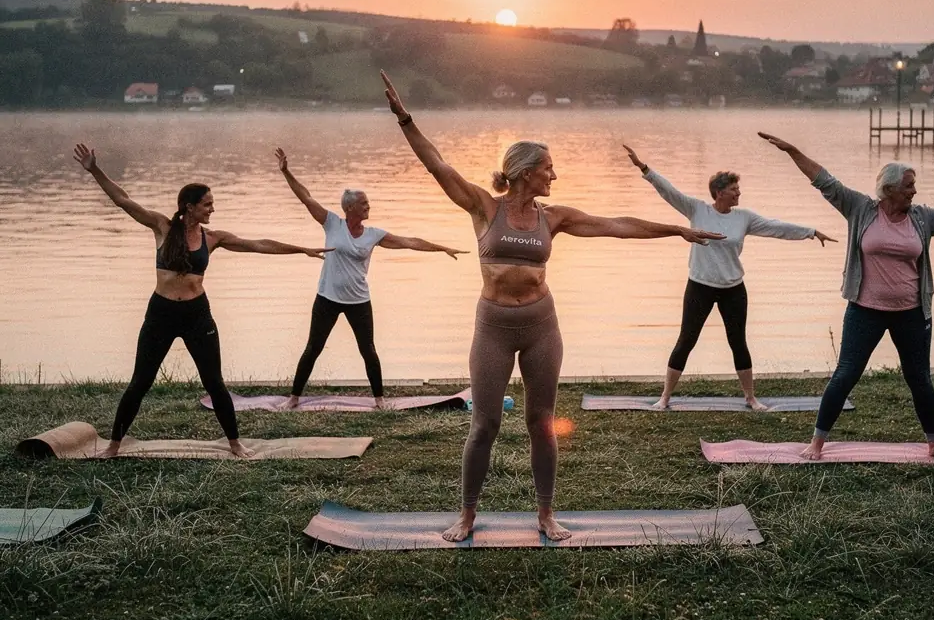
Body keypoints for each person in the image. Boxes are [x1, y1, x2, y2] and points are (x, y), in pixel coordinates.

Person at [381, 71, 725, 542]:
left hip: (542, 326)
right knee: (484, 425)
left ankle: (545, 514)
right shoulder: (483, 207)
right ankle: (466, 515)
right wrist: (405, 119)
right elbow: (436, 164)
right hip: (494, 328)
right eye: (548, 168)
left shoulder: (554, 217)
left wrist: (676, 230)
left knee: (542, 423)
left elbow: (616, 224)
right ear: (525, 172)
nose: (554, 175)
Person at [759, 131, 934, 460]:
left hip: (911, 313)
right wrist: (793, 150)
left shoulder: (923, 217)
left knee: (919, 379)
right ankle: (816, 442)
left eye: (914, 185)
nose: (915, 190)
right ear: (890, 189)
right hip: (864, 311)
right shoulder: (860, 208)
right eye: (909, 185)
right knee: (845, 375)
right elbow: (825, 181)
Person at [73, 143, 331, 459]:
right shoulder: (162, 227)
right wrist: (95, 169)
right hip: (161, 314)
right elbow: (122, 200)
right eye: (207, 204)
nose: (212, 209)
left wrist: (301, 249)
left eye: (212, 204)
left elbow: (258, 244)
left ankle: (234, 443)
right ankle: (114, 445)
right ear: (189, 206)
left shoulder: (212, 238)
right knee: (140, 382)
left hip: (197, 315)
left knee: (214, 383)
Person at [623, 145, 835, 410]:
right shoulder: (697, 209)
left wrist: (811, 231)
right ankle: (665, 397)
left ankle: (750, 398)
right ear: (720, 192)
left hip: (733, 289)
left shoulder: (743, 218)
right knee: (686, 340)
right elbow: (669, 192)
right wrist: (644, 168)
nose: (739, 193)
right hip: (700, 287)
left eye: (738, 188)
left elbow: (775, 227)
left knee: (738, 342)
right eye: (734, 189)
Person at [274, 147, 467, 409]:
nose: (368, 206)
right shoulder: (332, 223)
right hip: (327, 298)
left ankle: (379, 400)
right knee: (313, 349)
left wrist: (441, 247)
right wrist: (287, 172)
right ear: (350, 207)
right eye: (364, 203)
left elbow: (408, 241)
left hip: (359, 301)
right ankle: (293, 398)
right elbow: (305, 197)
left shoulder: (373, 234)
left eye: (367, 203)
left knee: (368, 351)